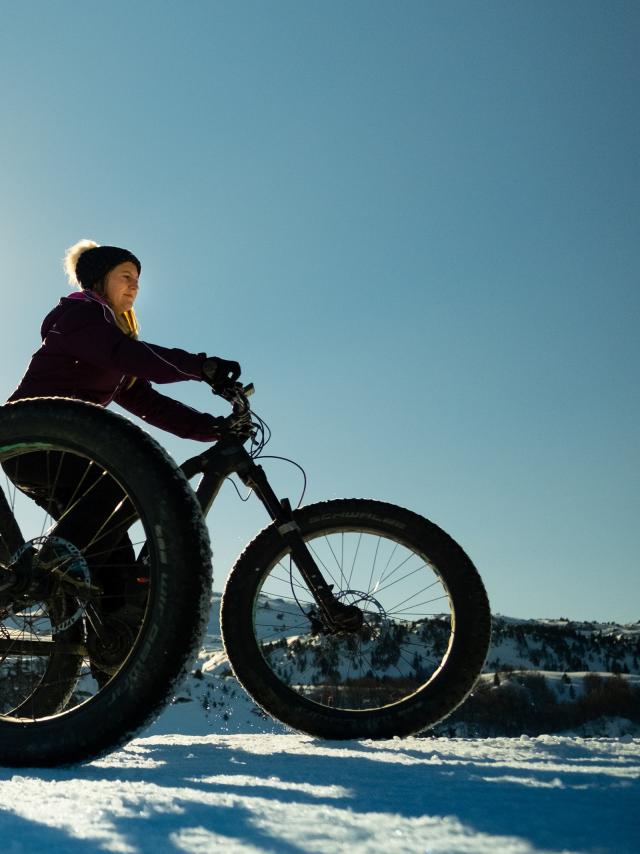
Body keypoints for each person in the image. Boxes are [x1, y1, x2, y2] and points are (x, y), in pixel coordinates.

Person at [3, 240, 241, 675]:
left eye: (138, 280)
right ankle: (49, 561)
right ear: (99, 280)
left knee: (112, 552)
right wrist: (201, 366)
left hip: (72, 451)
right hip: (34, 443)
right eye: (125, 277)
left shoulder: (113, 333)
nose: (134, 286)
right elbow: (129, 356)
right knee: (126, 486)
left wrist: (214, 427)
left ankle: (110, 655)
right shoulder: (79, 316)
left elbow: (148, 402)